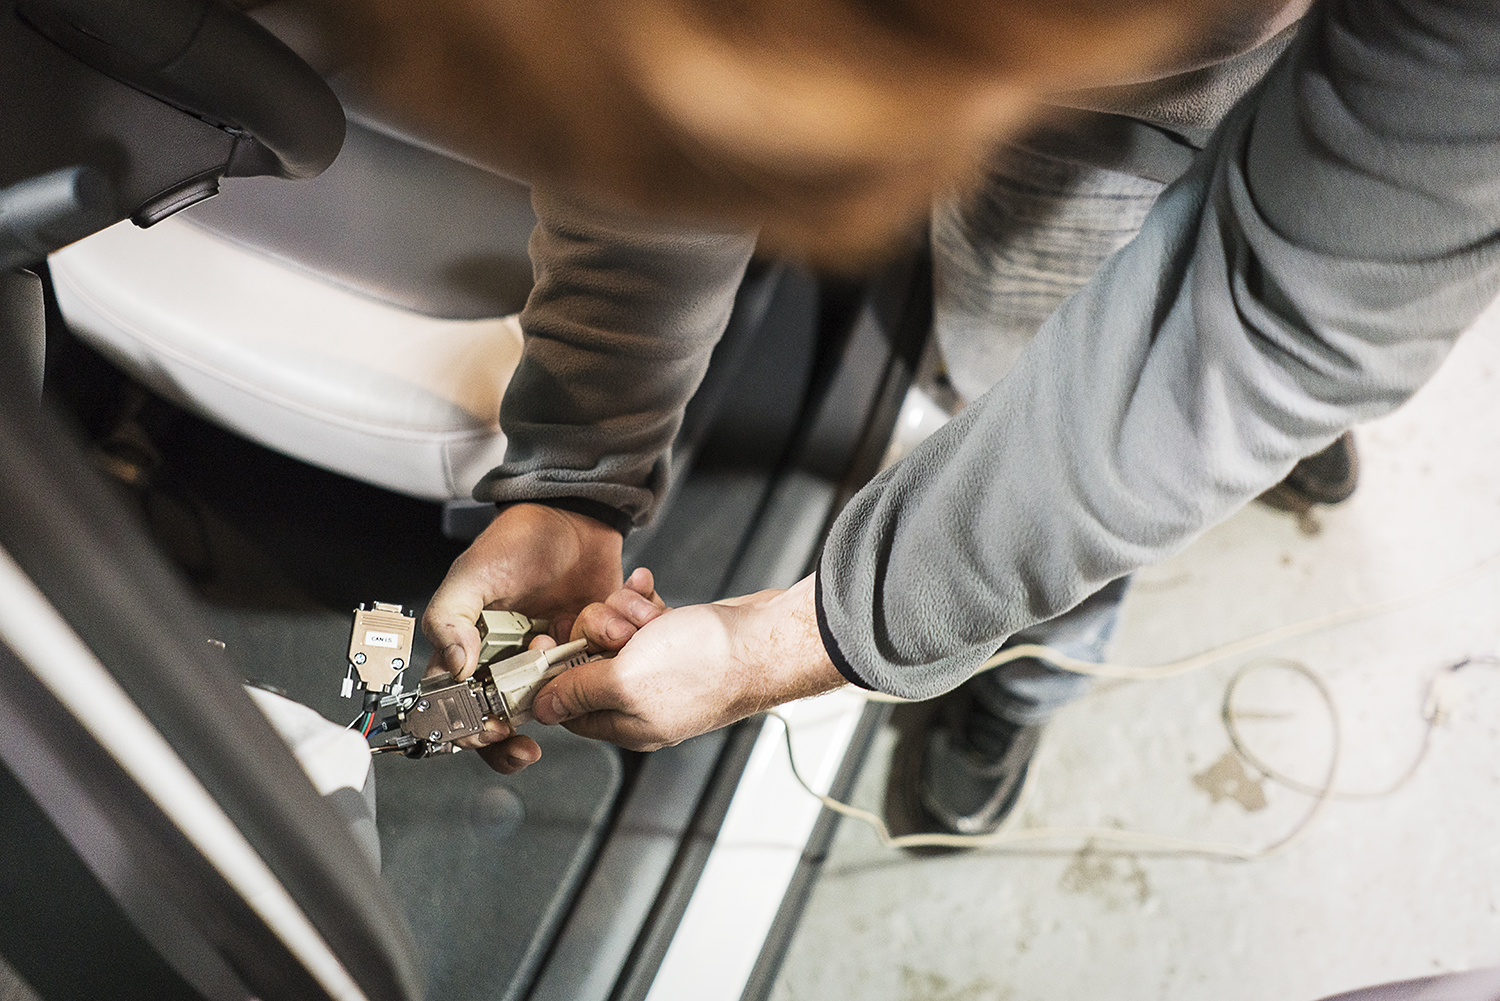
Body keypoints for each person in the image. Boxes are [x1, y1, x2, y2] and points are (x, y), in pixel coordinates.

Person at [294, 0, 1500, 806]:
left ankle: (1025, 679)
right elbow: (666, 106)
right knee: (1085, 389)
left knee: (1102, 395)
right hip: (1090, 104)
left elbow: (1274, 319)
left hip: (1166, 100)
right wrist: (577, 462)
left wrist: (801, 645)